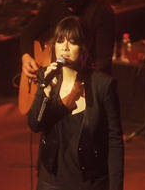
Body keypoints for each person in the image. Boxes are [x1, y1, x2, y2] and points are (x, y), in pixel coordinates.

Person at [27, 16, 124, 190]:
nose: (65, 47)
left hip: (89, 183)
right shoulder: (48, 79)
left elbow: (114, 140)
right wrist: (44, 92)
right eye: (60, 41)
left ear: (84, 47)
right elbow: (35, 124)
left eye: (72, 42)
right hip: (51, 182)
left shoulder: (102, 85)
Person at [20, 0, 115, 77]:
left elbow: (102, 63)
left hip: (87, 82)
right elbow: (27, 34)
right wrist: (26, 56)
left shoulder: (101, 11)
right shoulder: (54, 5)